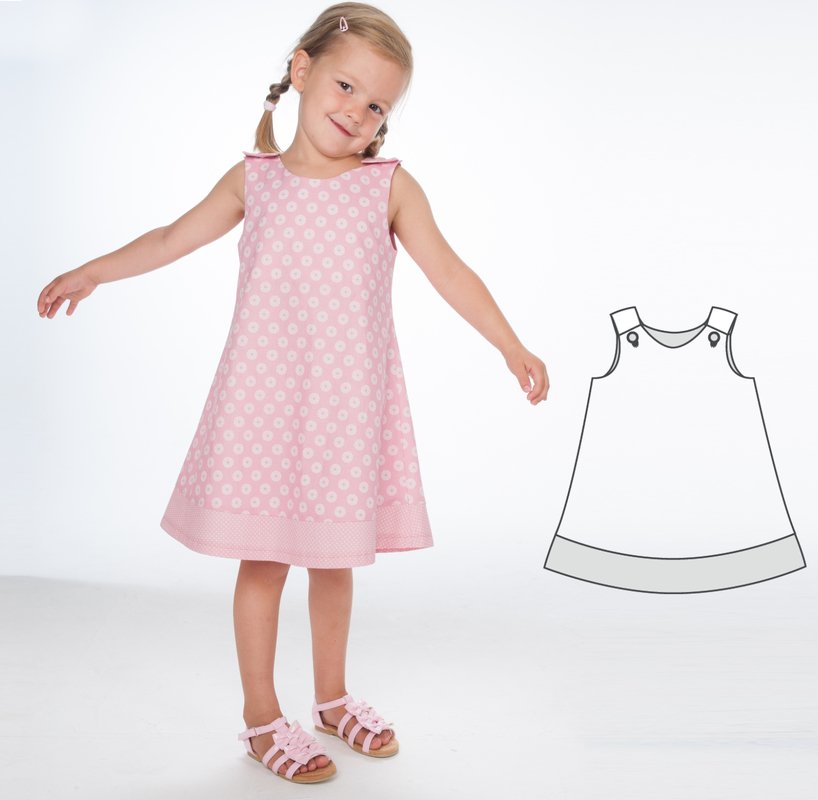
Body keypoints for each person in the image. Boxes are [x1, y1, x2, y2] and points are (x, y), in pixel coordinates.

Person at [36, 1, 549, 785]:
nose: (358, 112)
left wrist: (510, 344)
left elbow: (449, 270)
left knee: (335, 561)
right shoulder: (255, 180)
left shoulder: (388, 187)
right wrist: (93, 271)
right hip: (262, 412)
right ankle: (260, 717)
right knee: (266, 563)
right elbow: (172, 237)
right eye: (346, 87)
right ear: (302, 71)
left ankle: (332, 699)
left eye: (377, 105)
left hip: (344, 414)